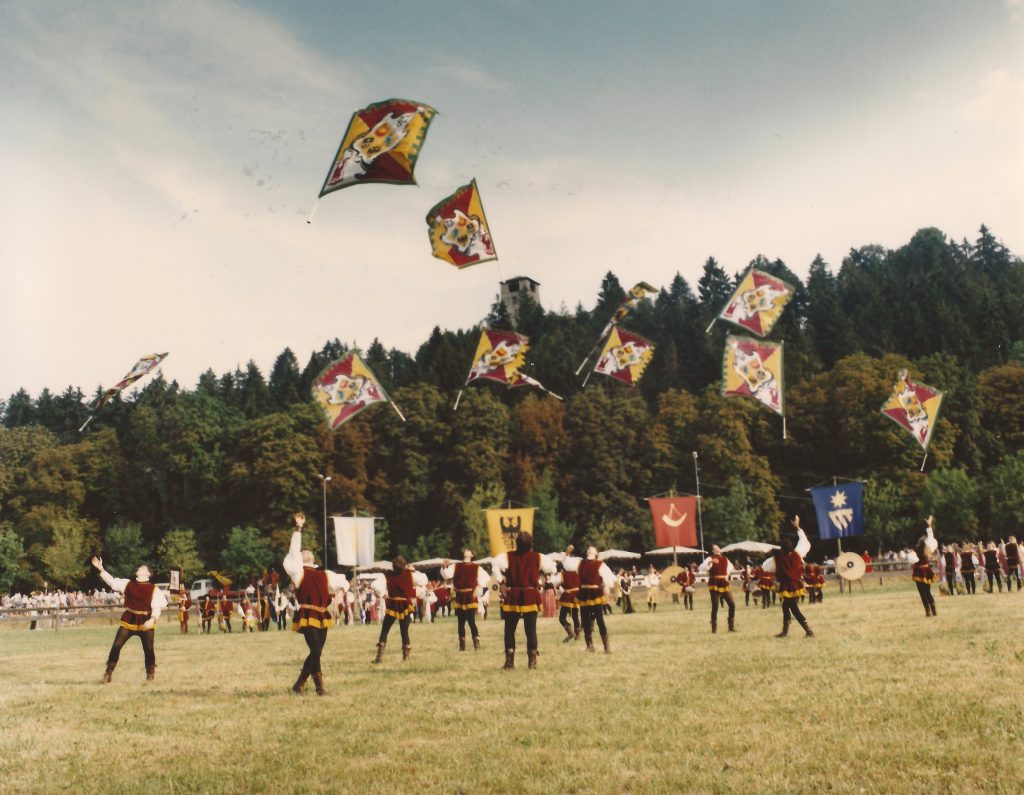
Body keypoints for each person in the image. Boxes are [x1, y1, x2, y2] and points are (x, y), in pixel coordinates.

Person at [283, 512, 349, 695]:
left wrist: (342, 592)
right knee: (316, 650)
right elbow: (293, 551)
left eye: (307, 552)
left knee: (317, 652)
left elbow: (343, 582)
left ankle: (309, 686)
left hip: (322, 615)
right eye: (303, 552)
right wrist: (298, 528)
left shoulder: (325, 574)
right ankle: (310, 685)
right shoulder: (299, 572)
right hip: (307, 615)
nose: (305, 552)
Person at [90, 556, 168, 683]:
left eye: (143, 568)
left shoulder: (153, 589)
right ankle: (108, 674)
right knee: (116, 646)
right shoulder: (127, 584)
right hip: (129, 619)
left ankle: (150, 674)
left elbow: (158, 605)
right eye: (140, 567)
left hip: (146, 621)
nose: (140, 568)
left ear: (148, 574)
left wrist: (153, 619)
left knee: (148, 650)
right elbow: (112, 582)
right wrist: (101, 569)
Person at [492, 532, 557, 669]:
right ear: (531, 543)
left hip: (514, 594)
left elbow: (495, 567)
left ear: (517, 543)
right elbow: (552, 568)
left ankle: (509, 663)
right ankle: (532, 663)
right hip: (530, 594)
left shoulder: (507, 556)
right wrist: (542, 575)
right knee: (530, 630)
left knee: (509, 629)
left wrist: (502, 581)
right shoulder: (538, 557)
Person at [762, 517, 813, 638]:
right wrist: (798, 528)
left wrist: (772, 552)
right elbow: (804, 541)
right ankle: (785, 631)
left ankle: (808, 630)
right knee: (786, 606)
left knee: (794, 609)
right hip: (796, 584)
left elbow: (765, 567)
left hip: (788, 585)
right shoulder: (797, 554)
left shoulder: (776, 559)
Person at [371, 557, 428, 663]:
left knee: (385, 630)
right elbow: (424, 581)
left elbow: (376, 586)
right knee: (404, 632)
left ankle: (379, 657)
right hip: (405, 605)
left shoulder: (388, 576)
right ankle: (405, 658)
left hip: (392, 604)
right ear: (404, 565)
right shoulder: (410, 575)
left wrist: (383, 594)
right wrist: (413, 570)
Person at [440, 549, 490, 651]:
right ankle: (462, 645)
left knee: (471, 621)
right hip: (459, 595)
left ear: (472, 555)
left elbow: (486, 579)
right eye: (466, 550)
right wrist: (444, 566)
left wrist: (478, 588)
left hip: (470, 596)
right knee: (460, 622)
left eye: (469, 551)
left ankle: (476, 642)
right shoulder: (456, 566)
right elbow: (446, 575)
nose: (466, 551)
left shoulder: (477, 567)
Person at [577, 546, 616, 653]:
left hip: (594, 594)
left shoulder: (599, 564)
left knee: (599, 620)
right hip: (585, 593)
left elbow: (608, 579)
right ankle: (590, 645)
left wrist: (606, 588)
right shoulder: (581, 564)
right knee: (585, 620)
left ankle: (606, 646)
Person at [699, 545, 736, 633]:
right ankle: (714, 628)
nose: (718, 547)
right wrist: (710, 562)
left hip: (724, 582)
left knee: (732, 604)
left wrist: (726, 576)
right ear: (713, 550)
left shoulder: (725, 559)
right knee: (715, 606)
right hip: (714, 583)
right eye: (716, 547)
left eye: (718, 546)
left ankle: (731, 627)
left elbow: (730, 568)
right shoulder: (709, 558)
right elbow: (701, 568)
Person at [908, 519, 939, 616]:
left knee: (922, 593)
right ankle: (933, 609)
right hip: (927, 570)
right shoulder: (928, 548)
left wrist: (914, 561)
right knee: (928, 591)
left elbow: (912, 559)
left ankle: (928, 611)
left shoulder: (916, 549)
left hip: (919, 571)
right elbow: (931, 537)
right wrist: (929, 526)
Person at [551, 547, 581, 642]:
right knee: (575, 616)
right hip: (576, 595)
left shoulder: (562, 574)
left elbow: (555, 582)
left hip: (567, 596)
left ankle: (570, 633)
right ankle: (577, 635)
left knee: (562, 618)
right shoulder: (578, 574)